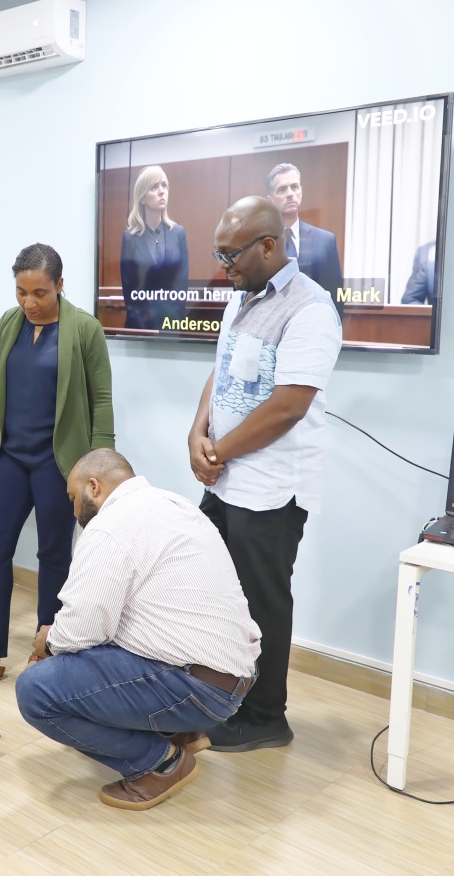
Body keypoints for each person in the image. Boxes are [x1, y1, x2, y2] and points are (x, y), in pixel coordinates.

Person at [16, 449, 260, 811]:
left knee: (37, 689)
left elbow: (80, 628)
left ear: (93, 487)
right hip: (232, 678)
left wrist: (48, 640)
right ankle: (179, 732)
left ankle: (159, 763)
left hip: (197, 687)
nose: (73, 511)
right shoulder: (173, 503)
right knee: (102, 643)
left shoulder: (110, 525)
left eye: (72, 498)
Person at [188, 196, 341, 751]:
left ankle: (265, 718)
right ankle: (221, 698)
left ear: (268, 246)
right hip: (227, 479)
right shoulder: (243, 298)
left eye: (230, 255)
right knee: (215, 593)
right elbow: (221, 370)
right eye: (218, 253)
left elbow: (287, 406)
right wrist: (197, 432)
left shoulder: (311, 309)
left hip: (272, 488)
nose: (222, 265)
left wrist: (219, 450)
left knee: (263, 603)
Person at [0, 243, 115, 680]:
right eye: (22, 292)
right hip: (11, 456)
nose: (30, 303)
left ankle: (49, 647)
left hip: (57, 462)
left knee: (54, 555)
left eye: (40, 293)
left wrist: (98, 469)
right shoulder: (9, 324)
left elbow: (101, 402)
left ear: (60, 286)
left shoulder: (84, 329)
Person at [266, 162, 344, 317]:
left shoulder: (325, 241)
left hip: (314, 329)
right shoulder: (261, 243)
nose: (290, 194)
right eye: (282, 189)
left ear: (301, 191)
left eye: (294, 187)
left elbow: (336, 299)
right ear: (270, 199)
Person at [120, 165, 189, 331]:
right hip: (139, 327)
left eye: (164, 186)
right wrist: (147, 323)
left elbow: (182, 285)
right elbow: (130, 292)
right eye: (154, 187)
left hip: (172, 325)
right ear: (142, 198)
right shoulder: (130, 237)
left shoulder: (178, 233)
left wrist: (170, 322)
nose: (162, 191)